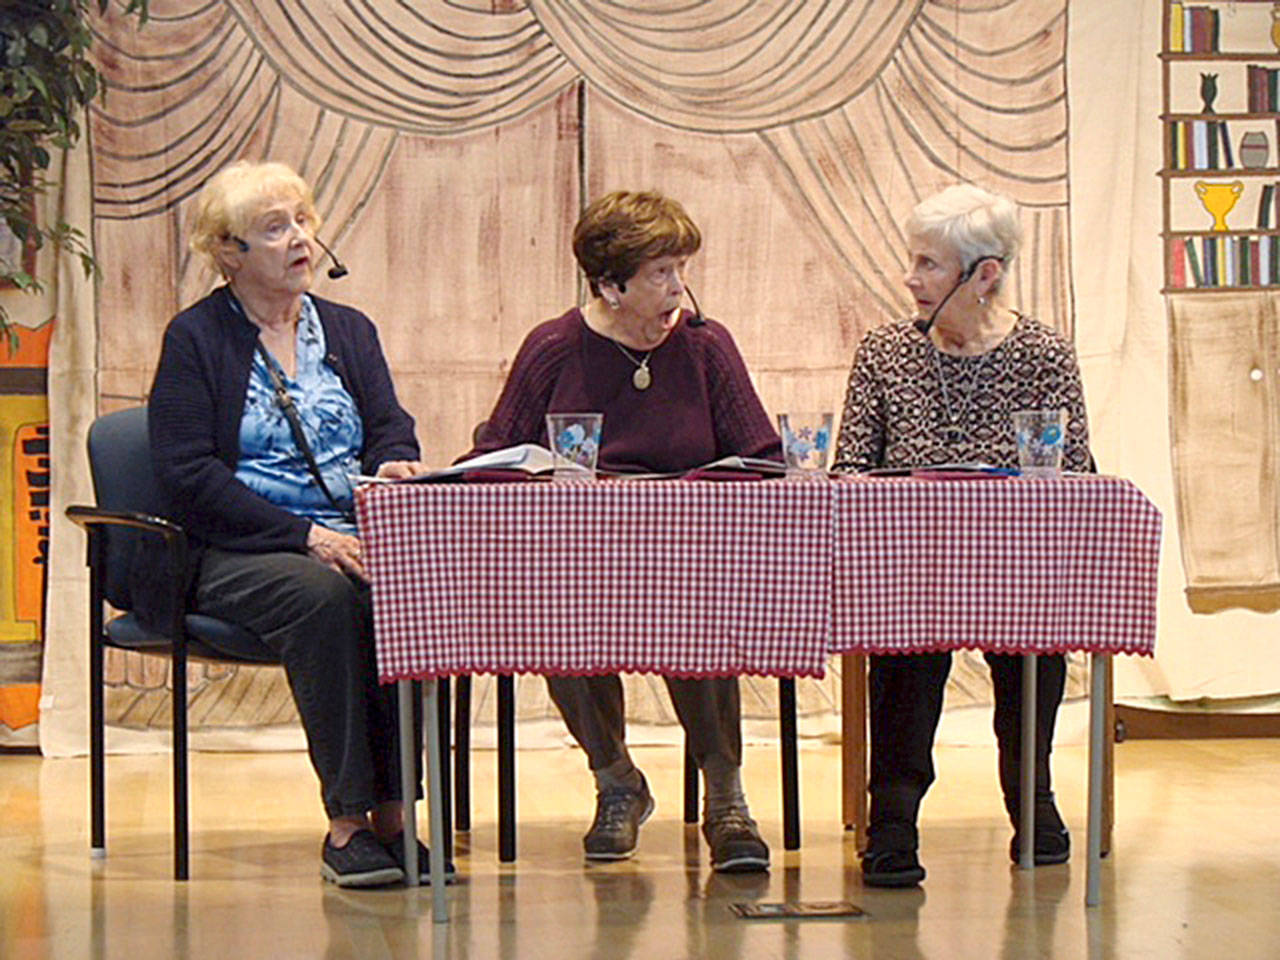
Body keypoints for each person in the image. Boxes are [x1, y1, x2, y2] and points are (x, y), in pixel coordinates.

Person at [140, 160, 442, 888]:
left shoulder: (347, 329)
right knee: (324, 597)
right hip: (239, 545)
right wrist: (307, 535)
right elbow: (187, 473)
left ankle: (397, 818)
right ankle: (346, 827)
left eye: (302, 220)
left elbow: (389, 428)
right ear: (229, 252)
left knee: (412, 592)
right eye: (273, 229)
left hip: (350, 531)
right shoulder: (196, 338)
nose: (299, 239)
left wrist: (396, 463)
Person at [463, 190, 781, 872]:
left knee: (697, 607)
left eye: (680, 268)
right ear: (610, 285)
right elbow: (492, 457)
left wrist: (693, 496)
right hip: (581, 558)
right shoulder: (554, 347)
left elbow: (762, 454)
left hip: (685, 555)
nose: (678, 288)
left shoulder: (705, 346)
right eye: (661, 273)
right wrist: (548, 483)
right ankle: (617, 782)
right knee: (549, 611)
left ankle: (725, 796)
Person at [833, 183, 1091, 888]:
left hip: (1017, 569)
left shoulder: (1044, 353)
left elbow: (1076, 471)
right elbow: (850, 467)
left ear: (985, 274)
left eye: (928, 265)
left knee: (1033, 642)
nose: (910, 280)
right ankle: (892, 818)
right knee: (908, 651)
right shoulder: (886, 352)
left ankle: (1031, 799)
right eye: (913, 262)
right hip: (913, 570)